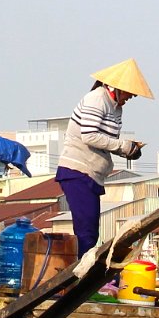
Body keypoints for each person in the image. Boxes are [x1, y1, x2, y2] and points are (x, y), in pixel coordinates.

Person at [56, 59, 152, 256]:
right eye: (130, 92)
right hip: (77, 171)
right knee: (87, 233)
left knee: (90, 230)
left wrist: (128, 150)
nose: (131, 96)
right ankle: (82, 271)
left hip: (92, 174)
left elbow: (106, 141)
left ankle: (85, 268)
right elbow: (90, 136)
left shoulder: (115, 107)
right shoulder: (97, 98)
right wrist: (123, 146)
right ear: (118, 88)